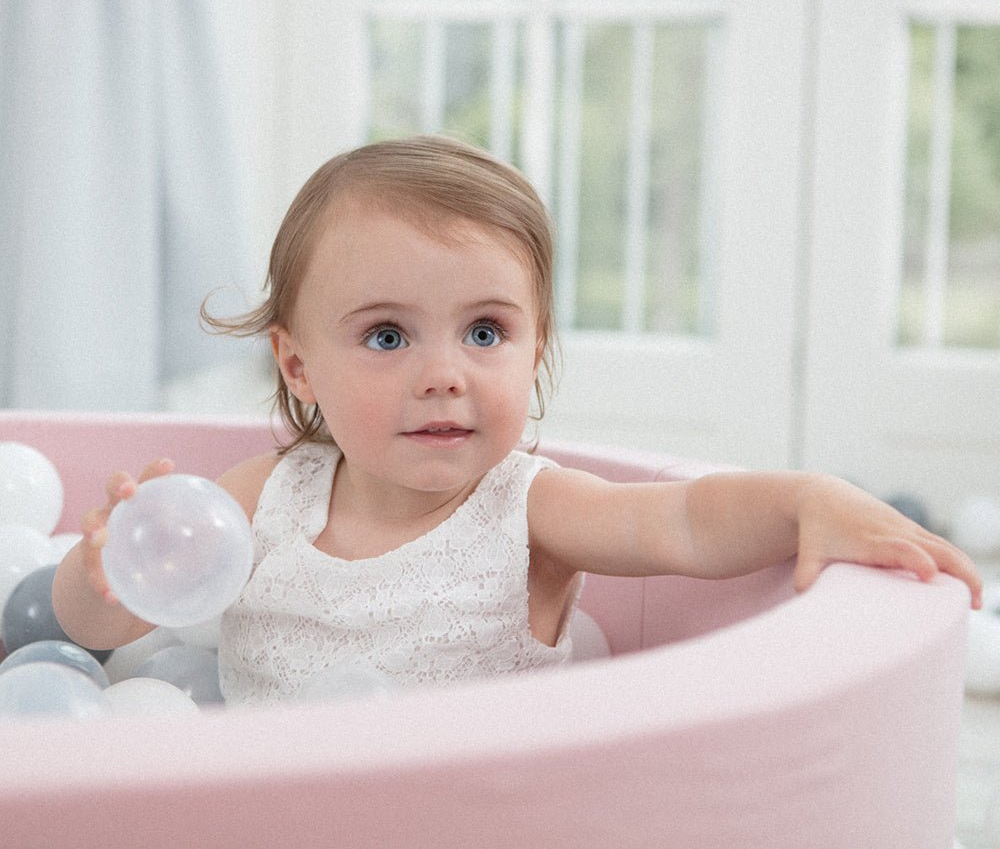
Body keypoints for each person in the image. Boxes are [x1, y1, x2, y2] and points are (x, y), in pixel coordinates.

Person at [52, 135, 983, 704]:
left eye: (486, 331)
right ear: (299, 365)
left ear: (533, 351)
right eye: (386, 338)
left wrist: (808, 499)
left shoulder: (528, 510)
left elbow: (686, 519)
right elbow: (99, 626)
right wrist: (101, 577)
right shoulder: (260, 499)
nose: (444, 376)